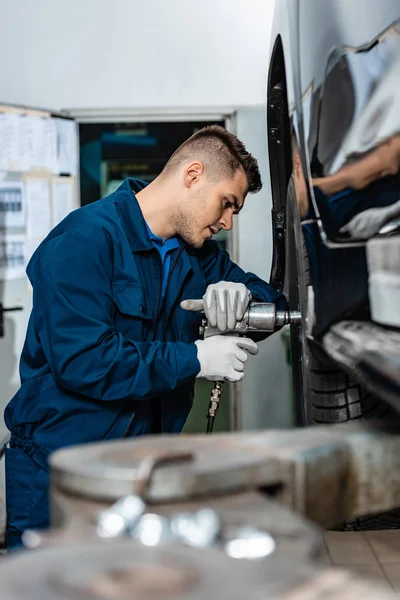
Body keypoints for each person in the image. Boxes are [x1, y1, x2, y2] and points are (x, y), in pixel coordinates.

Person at [4, 125, 286, 549]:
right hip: (60, 475)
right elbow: (85, 361)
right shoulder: (84, 239)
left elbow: (275, 306)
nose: (227, 220)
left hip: (142, 474)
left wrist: (244, 295)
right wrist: (196, 358)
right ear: (193, 174)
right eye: (227, 203)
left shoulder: (199, 259)